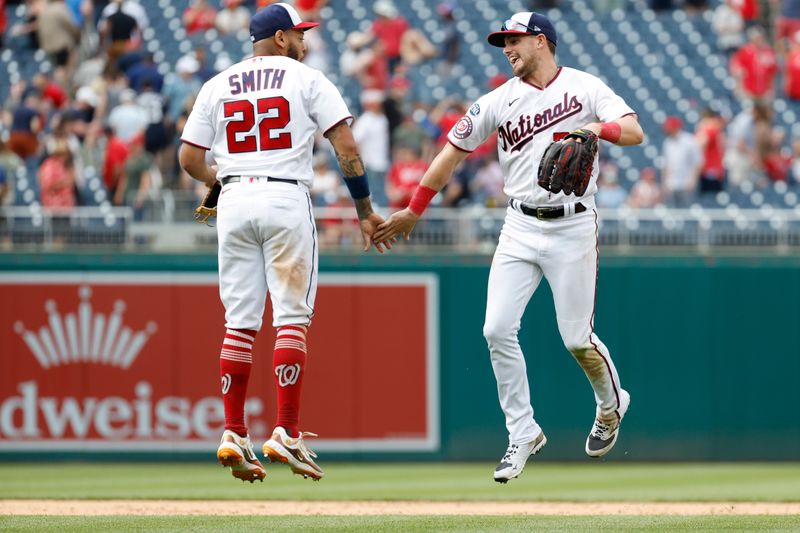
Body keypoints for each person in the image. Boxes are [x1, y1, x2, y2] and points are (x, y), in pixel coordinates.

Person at [373, 11, 642, 483]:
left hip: (573, 225)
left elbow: (635, 130)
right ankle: (522, 432)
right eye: (503, 43)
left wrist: (596, 129)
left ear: (542, 41)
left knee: (577, 339)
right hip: (518, 225)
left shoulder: (584, 87)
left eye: (515, 40)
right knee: (496, 328)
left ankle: (610, 403)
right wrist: (414, 210)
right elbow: (448, 156)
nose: (507, 49)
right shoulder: (497, 101)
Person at [178, 2, 390, 484]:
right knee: (291, 318)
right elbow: (347, 148)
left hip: (233, 200)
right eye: (298, 33)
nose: (304, 41)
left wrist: (219, 183)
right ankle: (287, 432)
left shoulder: (217, 84)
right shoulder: (307, 78)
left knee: (239, 323)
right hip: (284, 196)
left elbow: (189, 157)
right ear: (279, 38)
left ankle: (233, 432)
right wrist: (363, 210)